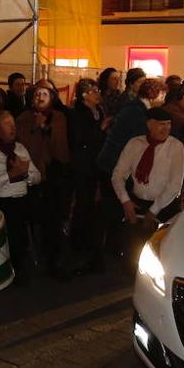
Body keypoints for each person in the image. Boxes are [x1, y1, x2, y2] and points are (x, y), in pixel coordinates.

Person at [111, 108, 184, 263]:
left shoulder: (175, 147)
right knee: (134, 252)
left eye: (168, 124)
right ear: (149, 125)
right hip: (137, 204)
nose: (166, 128)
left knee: (160, 255)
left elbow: (175, 184)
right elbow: (118, 174)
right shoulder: (135, 143)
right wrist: (125, 201)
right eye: (161, 124)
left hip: (165, 207)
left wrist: (153, 211)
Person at [0, 112, 40, 284]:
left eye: (13, 123)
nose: (13, 127)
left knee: (46, 209)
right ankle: (17, 266)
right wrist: (10, 175)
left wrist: (25, 174)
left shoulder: (20, 148)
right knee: (14, 219)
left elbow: (37, 176)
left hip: (22, 196)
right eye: (7, 123)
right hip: (0, 200)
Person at [15, 84, 71, 279]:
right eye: (37, 93)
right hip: (28, 174)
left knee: (51, 220)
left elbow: (61, 149)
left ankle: (53, 260)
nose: (40, 97)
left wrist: (44, 128)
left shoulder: (58, 117)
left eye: (44, 94)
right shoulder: (23, 118)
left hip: (52, 176)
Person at [68, 78, 108, 275]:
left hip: (96, 161)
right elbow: (80, 138)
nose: (97, 93)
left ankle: (89, 237)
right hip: (83, 163)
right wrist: (100, 128)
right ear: (84, 94)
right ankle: (78, 240)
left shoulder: (98, 111)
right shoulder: (78, 113)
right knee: (83, 201)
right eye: (94, 90)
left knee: (93, 201)